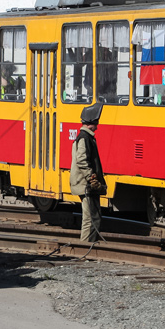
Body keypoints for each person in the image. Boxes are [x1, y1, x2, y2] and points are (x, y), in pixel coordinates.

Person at [69, 102, 106, 243]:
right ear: (92, 122)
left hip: (85, 183)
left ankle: (88, 245)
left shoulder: (85, 137)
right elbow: (81, 160)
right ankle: (85, 247)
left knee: (93, 217)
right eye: (97, 122)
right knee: (90, 219)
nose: (97, 126)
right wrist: (92, 178)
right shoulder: (85, 138)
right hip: (86, 184)